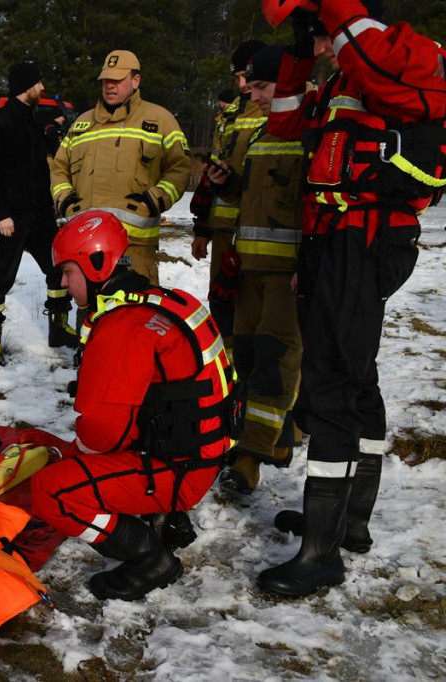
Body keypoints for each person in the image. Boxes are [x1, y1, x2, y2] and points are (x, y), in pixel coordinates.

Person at [256, 0, 446, 598]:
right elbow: (285, 121)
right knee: (355, 377)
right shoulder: (339, 78)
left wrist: (335, 15)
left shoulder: (412, 56)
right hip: (332, 242)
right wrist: (295, 52)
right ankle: (345, 524)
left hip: (366, 241)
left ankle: (320, 554)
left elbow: (377, 62)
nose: (315, 48)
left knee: (334, 381)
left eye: (316, 33)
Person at [30, 210, 235, 600]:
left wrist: (77, 463)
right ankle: (160, 516)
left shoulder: (123, 327)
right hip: (201, 454)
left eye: (68, 272)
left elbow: (102, 433)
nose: (62, 282)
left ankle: (149, 560)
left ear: (96, 263)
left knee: (51, 490)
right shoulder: (166, 301)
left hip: (182, 472)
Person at [207, 46, 306, 495]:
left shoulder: (312, 131)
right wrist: (226, 188)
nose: (252, 94)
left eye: (262, 87)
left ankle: (252, 455)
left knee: (274, 361)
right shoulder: (264, 133)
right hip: (248, 271)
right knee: (243, 358)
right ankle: (271, 437)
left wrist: (312, 264)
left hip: (288, 275)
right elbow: (251, 199)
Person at [50, 50, 191, 285]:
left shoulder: (160, 120)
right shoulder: (82, 124)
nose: (109, 86)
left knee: (136, 317)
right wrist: (64, 201)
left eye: (117, 80)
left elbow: (180, 168)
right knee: (92, 319)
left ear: (135, 81)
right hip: (87, 250)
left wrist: (154, 199)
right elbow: (59, 167)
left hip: (134, 249)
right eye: (106, 80)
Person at [0, 62, 77, 367]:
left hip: (41, 217)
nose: (43, 88)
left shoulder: (32, 121)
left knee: (59, 270)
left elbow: (36, 160)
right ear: (26, 86)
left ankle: (58, 330)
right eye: (38, 84)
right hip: (9, 220)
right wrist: (0, 215)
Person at [190, 40, 269, 358]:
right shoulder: (229, 115)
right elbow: (213, 175)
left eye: (245, 76)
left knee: (258, 310)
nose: (241, 85)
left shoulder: (279, 107)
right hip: (224, 229)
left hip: (263, 229)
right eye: (236, 77)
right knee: (223, 302)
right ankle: (228, 370)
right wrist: (202, 229)